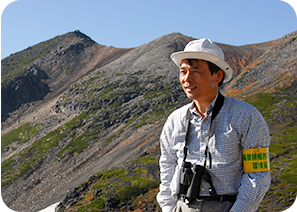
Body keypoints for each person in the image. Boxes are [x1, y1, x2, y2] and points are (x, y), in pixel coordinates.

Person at [157, 38, 271, 212]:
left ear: (218, 75)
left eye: (196, 71)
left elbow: (257, 174)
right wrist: (168, 208)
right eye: (183, 71)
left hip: (227, 207)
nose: (187, 78)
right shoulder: (175, 120)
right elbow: (167, 167)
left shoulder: (246, 116)